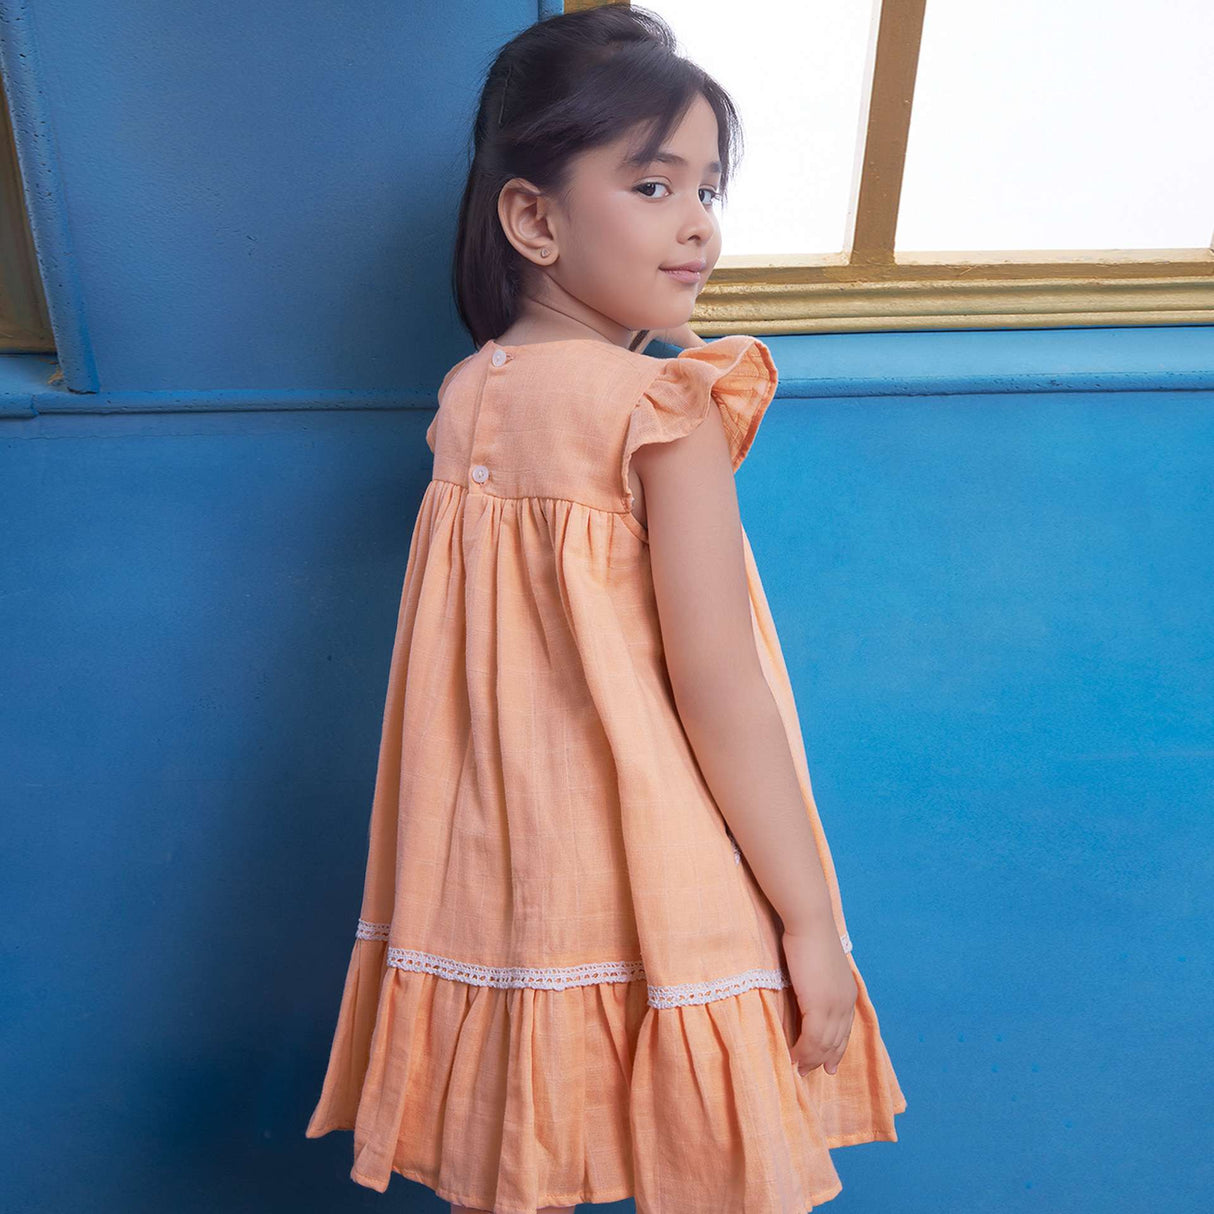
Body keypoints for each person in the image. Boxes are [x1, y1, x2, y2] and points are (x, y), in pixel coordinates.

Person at [304, 6, 906, 1211]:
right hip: (661, 867)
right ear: (531, 217)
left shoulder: (470, 395)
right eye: (650, 183)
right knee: (697, 1159)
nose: (697, 225)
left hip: (502, 878)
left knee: (531, 1154)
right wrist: (808, 920)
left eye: (708, 188)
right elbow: (717, 686)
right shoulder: (661, 406)